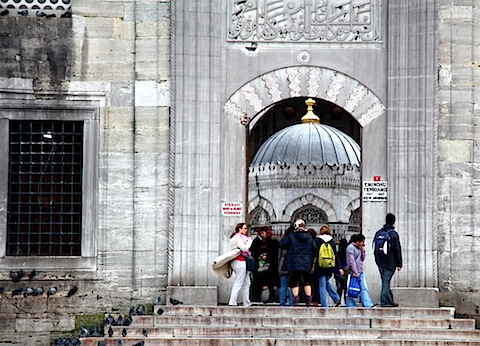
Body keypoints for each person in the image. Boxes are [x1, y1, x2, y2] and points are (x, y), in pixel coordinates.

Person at [279, 219, 317, 306]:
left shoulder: (291, 236)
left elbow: (282, 245)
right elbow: (315, 248)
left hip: (293, 263)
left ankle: (296, 301)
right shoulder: (309, 237)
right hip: (306, 263)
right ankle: (308, 302)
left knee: (294, 282)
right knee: (307, 282)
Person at [374, 213, 403, 307]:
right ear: (393, 221)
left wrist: (377, 261)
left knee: (385, 281)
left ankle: (390, 300)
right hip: (390, 262)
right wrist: (399, 263)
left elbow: (375, 248)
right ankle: (384, 301)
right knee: (386, 282)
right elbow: (397, 249)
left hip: (380, 261)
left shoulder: (379, 232)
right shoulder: (393, 234)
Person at [315, 226, 343, 307]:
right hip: (330, 266)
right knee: (326, 283)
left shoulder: (317, 241)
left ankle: (324, 304)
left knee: (322, 285)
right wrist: (339, 267)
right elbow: (335, 255)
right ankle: (336, 298)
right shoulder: (332, 241)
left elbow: (315, 254)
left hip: (320, 266)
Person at [250, 226, 279, 303]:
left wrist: (268, 256)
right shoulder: (258, 241)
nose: (262, 235)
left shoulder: (272, 241)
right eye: (261, 233)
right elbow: (253, 251)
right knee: (259, 281)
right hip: (261, 264)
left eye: (263, 233)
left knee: (271, 282)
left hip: (270, 265)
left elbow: (275, 253)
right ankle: (257, 297)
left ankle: (272, 296)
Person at [345, 233, 374, 308]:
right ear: (358, 241)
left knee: (363, 287)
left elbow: (362, 258)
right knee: (352, 288)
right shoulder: (350, 248)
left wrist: (364, 251)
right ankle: (350, 304)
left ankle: (367, 303)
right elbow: (351, 261)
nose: (363, 243)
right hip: (354, 271)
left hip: (360, 270)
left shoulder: (360, 248)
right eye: (362, 242)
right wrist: (355, 271)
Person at [228, 222, 253, 307]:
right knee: (239, 282)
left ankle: (246, 302)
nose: (246, 230)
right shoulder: (238, 238)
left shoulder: (237, 237)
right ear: (240, 229)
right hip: (239, 261)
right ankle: (232, 301)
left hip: (240, 261)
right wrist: (249, 241)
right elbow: (244, 248)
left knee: (246, 283)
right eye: (245, 228)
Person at [278, 226, 294, 306]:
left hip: (283, 263)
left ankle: (282, 303)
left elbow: (279, 255)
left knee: (283, 285)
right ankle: (291, 303)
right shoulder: (294, 241)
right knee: (292, 285)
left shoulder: (283, 241)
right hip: (292, 264)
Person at [335, 238, 348, 304]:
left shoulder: (337, 253)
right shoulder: (347, 253)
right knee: (346, 288)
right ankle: (346, 302)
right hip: (345, 272)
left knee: (339, 288)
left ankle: (338, 301)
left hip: (337, 272)